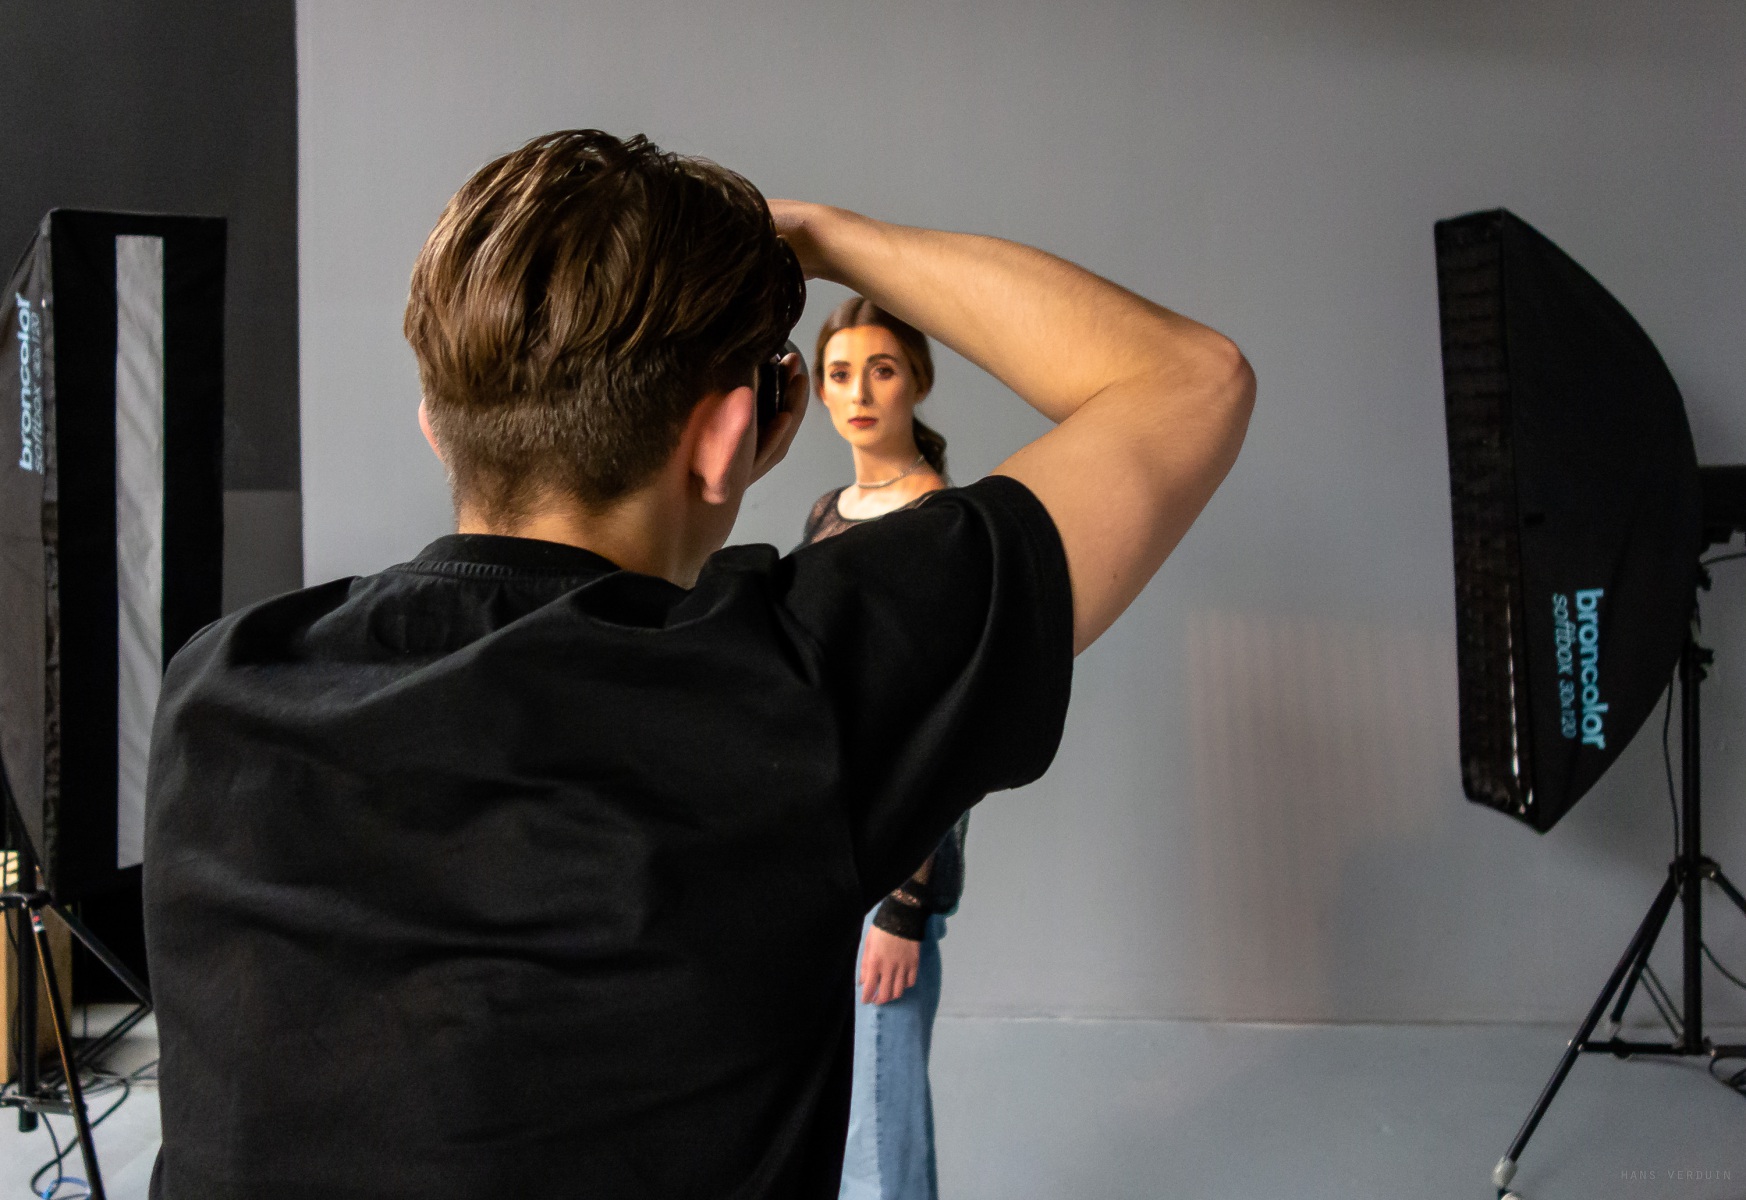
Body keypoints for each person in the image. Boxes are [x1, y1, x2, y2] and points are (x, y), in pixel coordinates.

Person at [143, 129, 1253, 1200]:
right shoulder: (786, 684)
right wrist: (821, 236)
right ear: (735, 437)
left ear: (437, 424)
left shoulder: (220, 687)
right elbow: (1189, 381)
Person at [799, 297, 956, 1200]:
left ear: (917, 382)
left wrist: (904, 906)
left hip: (890, 866)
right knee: (846, 1124)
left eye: (883, 370)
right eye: (841, 373)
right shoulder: (830, 511)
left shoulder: (938, 520)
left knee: (881, 1133)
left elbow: (945, 725)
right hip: (826, 856)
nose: (859, 392)